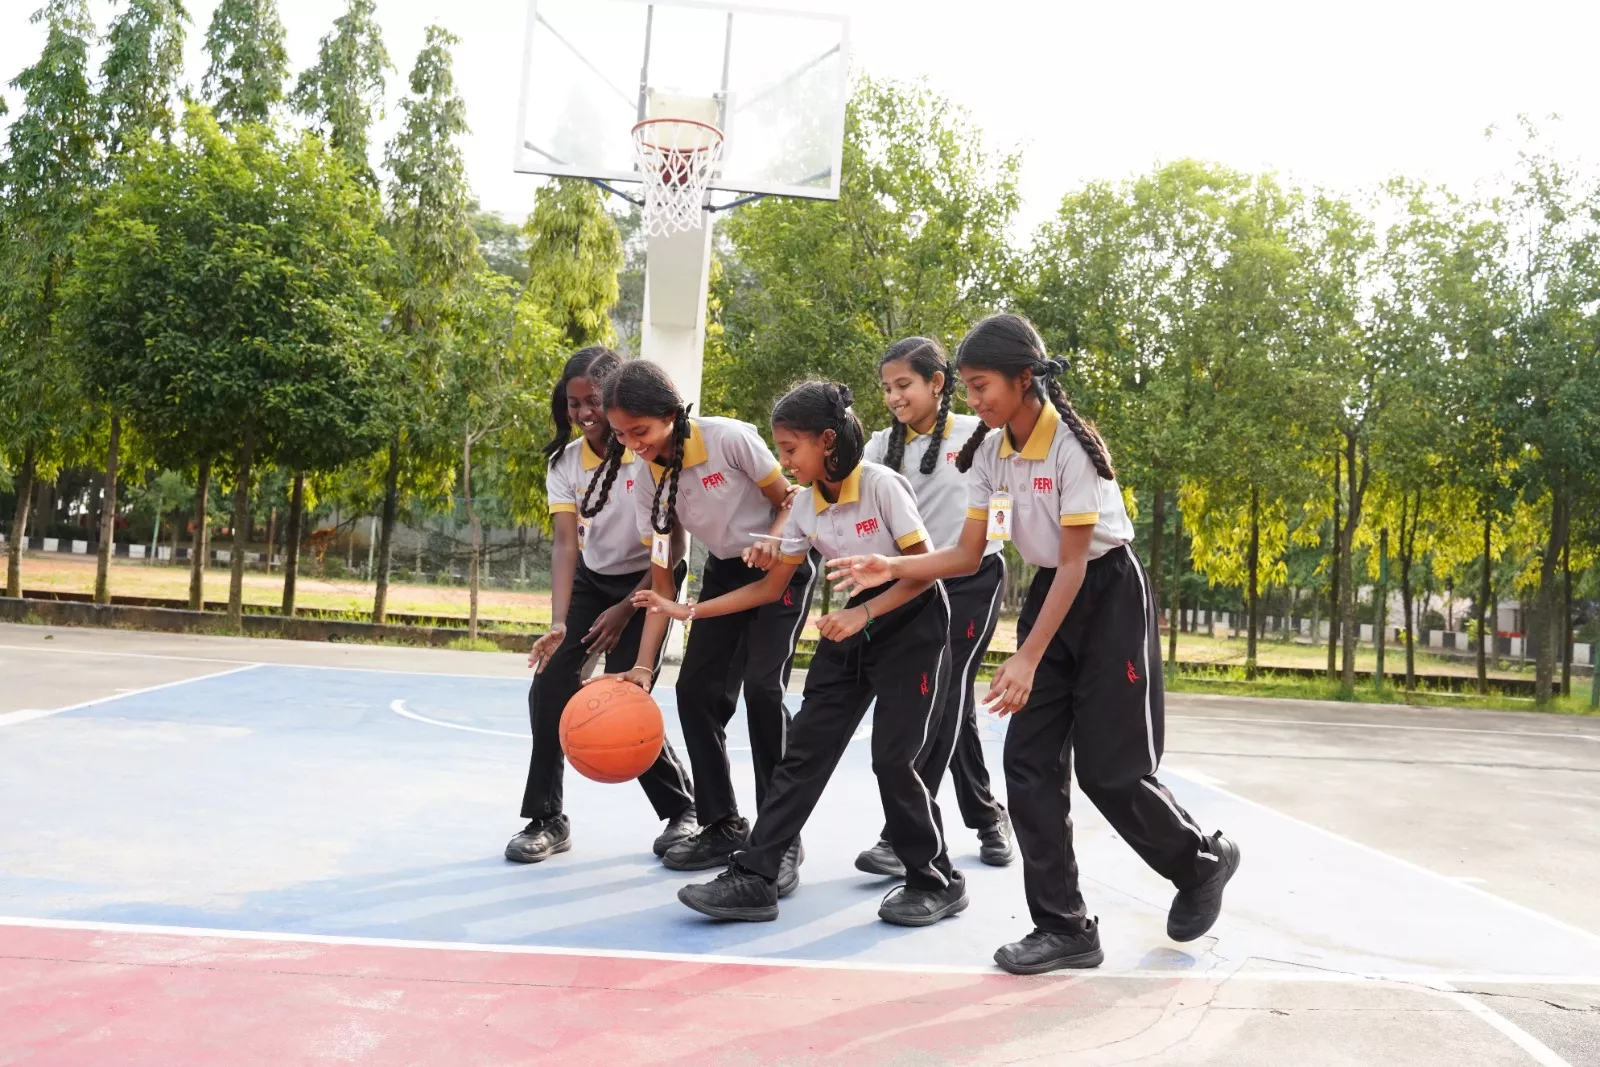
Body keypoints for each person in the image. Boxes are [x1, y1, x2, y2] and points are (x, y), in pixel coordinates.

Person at [830, 314, 1240, 974]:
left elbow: (1078, 564)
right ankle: (1065, 925)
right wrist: (895, 568)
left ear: (1025, 378)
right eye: (964, 388)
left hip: (1106, 595)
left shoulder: (1069, 448)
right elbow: (968, 553)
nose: (973, 401)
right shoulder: (989, 453)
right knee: (1027, 765)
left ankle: (1201, 862)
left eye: (981, 385)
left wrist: (1026, 655)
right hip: (1056, 591)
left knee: (1110, 772)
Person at [648, 381, 964, 925]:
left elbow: (926, 569)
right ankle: (757, 875)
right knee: (803, 755)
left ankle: (936, 879)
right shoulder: (803, 505)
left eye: (791, 448)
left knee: (892, 759)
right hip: (851, 627)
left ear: (826, 440)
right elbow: (771, 590)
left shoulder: (882, 485)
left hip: (912, 623)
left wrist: (864, 611)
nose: (784, 460)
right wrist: (693, 611)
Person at [592, 360, 816, 883]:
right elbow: (662, 584)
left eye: (640, 431)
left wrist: (773, 539)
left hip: (781, 563)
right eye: (622, 434)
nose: (632, 444)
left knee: (763, 690)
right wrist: (644, 668)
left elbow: (790, 499)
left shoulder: (728, 440)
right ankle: (722, 825)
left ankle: (780, 838)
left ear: (671, 414)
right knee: (694, 692)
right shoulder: (645, 480)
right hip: (724, 571)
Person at [505, 347, 697, 865]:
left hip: (650, 582)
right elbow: (567, 545)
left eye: (593, 400)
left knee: (624, 694)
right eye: (573, 403)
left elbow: (672, 549)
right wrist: (560, 622)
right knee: (548, 686)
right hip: (594, 581)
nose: (585, 412)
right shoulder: (564, 464)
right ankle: (547, 818)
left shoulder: (645, 449)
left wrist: (627, 610)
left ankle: (683, 810)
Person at [855, 336, 1014, 878]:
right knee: (948, 701)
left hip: (971, 579)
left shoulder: (979, 435)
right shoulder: (879, 447)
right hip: (912, 585)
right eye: (887, 388)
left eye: (904, 385)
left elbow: (1002, 506)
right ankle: (990, 817)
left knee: (944, 694)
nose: (895, 397)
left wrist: (988, 538)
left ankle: (900, 835)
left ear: (936, 383)